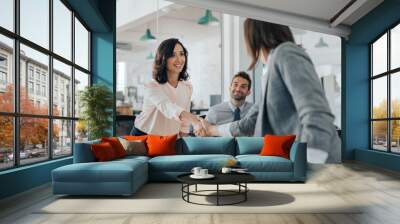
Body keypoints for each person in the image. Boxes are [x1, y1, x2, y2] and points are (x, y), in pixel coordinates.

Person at [196, 19, 341, 163]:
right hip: (294, 158)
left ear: (255, 37)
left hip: (317, 160)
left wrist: (310, 163)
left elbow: (315, 111)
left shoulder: (286, 52)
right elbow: (248, 123)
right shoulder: (270, 71)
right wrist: (211, 130)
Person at [133, 38, 202, 136]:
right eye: (173, 55)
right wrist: (195, 120)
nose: (179, 59)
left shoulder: (187, 87)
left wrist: (184, 134)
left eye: (182, 54)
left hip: (168, 138)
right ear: (163, 59)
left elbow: (184, 118)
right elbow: (168, 107)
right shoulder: (152, 86)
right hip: (144, 135)